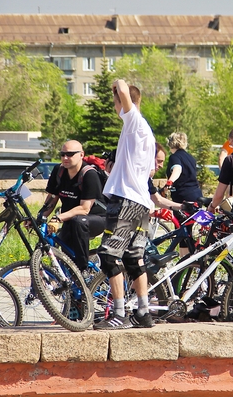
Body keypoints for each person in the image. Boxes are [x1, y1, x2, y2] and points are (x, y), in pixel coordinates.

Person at [94, 80, 157, 330]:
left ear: (124, 103)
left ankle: (119, 314)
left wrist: (118, 85)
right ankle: (143, 312)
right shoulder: (145, 132)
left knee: (109, 256)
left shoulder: (134, 122)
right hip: (141, 203)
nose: (114, 107)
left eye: (115, 102)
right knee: (134, 259)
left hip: (126, 202)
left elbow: (121, 86)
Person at [38, 140, 106, 271]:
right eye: (62, 154)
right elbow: (52, 199)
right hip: (70, 219)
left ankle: (83, 269)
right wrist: (40, 217)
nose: (65, 158)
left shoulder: (89, 174)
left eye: (70, 154)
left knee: (79, 221)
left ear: (81, 154)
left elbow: (85, 209)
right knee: (67, 257)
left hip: (97, 218)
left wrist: (58, 218)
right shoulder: (59, 171)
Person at [165, 132, 203, 204]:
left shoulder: (174, 157)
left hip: (183, 196)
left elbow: (177, 169)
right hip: (197, 194)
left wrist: (169, 183)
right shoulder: (191, 157)